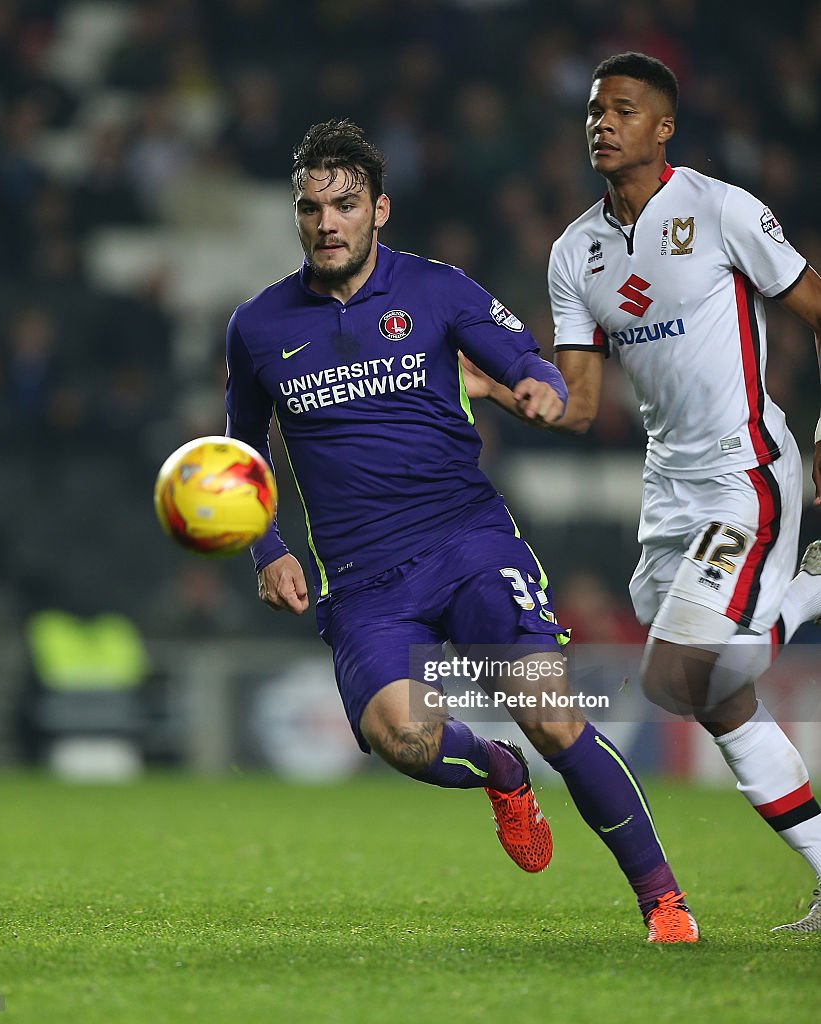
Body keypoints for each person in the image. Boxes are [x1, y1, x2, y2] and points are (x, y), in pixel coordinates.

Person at [224, 118, 698, 943]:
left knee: (551, 715)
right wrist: (266, 548)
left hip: (466, 543)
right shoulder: (258, 325)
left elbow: (520, 357)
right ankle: (496, 770)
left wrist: (541, 386)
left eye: (343, 206)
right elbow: (238, 450)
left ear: (380, 209)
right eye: (310, 208)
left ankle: (662, 901)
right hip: (362, 580)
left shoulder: (437, 289)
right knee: (400, 737)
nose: (325, 224)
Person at [464, 52, 821, 934]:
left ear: (662, 127)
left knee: (673, 673)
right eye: (592, 110)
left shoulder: (718, 209)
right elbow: (579, 405)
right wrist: (491, 386)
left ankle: (809, 585)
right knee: (715, 696)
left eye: (621, 109)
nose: (600, 122)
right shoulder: (573, 251)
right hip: (666, 494)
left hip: (742, 476)